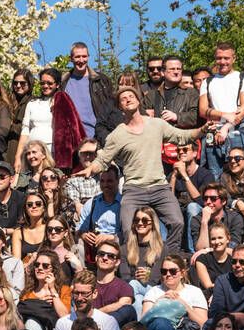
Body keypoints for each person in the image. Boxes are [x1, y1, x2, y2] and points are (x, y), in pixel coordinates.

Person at [88, 85, 207, 253]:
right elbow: (103, 160)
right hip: (134, 190)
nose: (128, 99)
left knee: (177, 222)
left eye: (131, 96)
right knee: (128, 229)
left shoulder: (157, 124)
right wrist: (90, 169)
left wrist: (202, 130)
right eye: (123, 98)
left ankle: (167, 260)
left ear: (138, 101)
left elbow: (182, 136)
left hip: (159, 187)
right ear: (120, 106)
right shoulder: (117, 134)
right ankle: (132, 266)